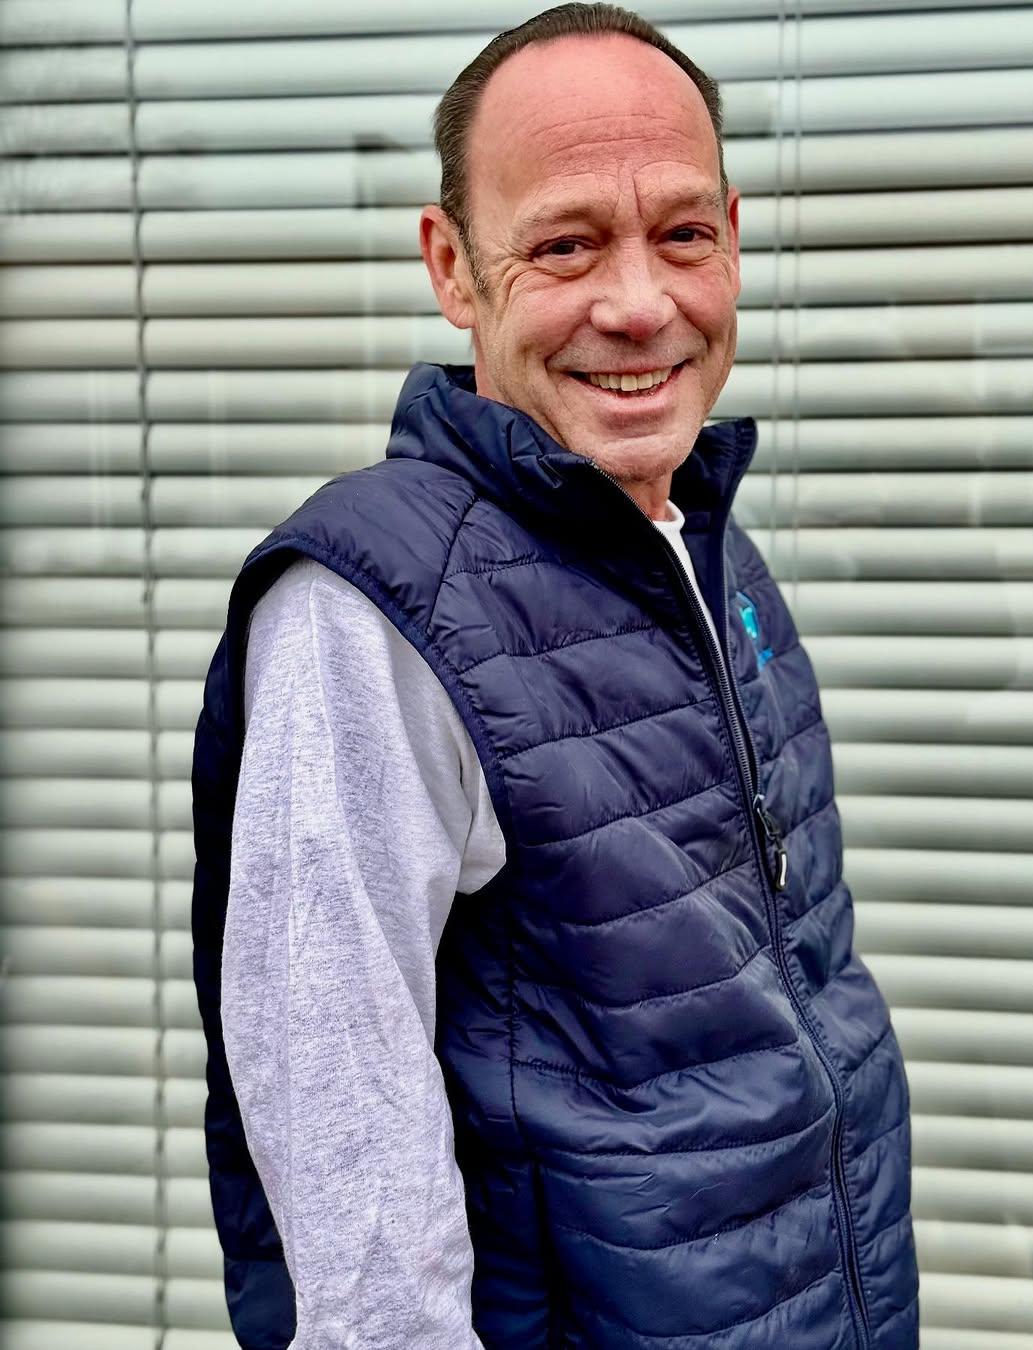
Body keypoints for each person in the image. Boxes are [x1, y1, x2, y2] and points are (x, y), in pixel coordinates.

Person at [191, 4, 919, 1347]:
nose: (639, 305)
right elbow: (345, 1168)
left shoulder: (700, 538)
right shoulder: (370, 612)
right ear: (454, 268)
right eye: (567, 244)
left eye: (682, 234)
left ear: (733, 239)